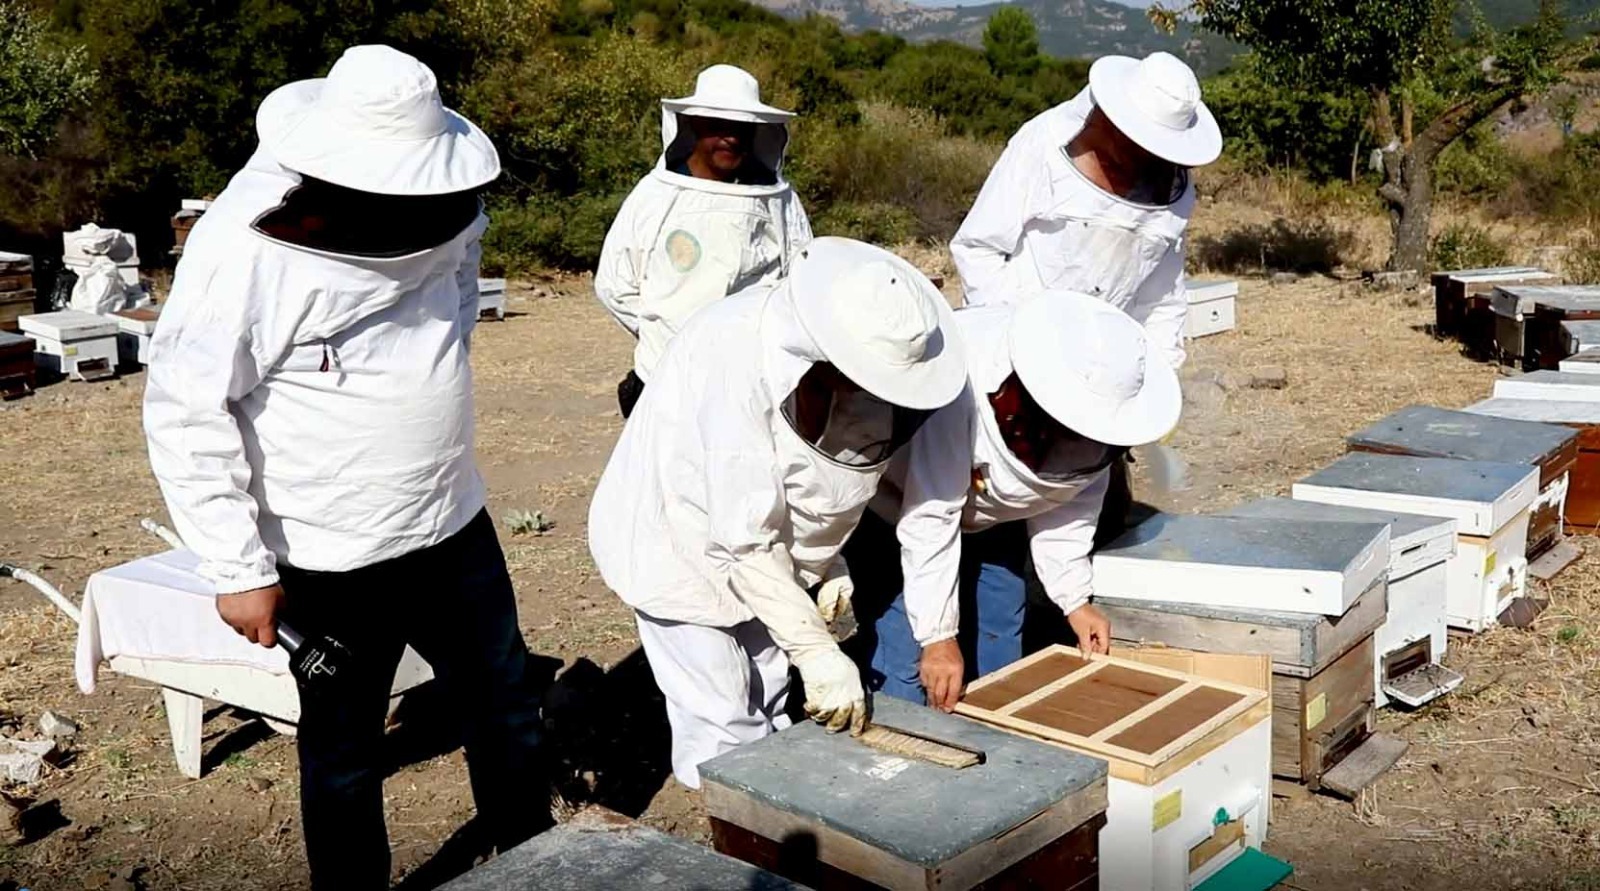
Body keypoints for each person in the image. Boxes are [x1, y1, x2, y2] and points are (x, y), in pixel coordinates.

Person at [143, 46, 548, 891]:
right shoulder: (241, 253)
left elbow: (458, 307)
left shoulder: (452, 210)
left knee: (506, 703)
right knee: (345, 751)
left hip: (452, 522)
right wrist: (237, 566)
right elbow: (187, 409)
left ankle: (539, 863)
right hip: (331, 553)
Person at [588, 237, 966, 788]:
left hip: (764, 550)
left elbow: (819, 473)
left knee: (769, 683)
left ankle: (774, 804)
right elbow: (743, 535)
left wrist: (828, 562)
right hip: (678, 544)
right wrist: (815, 650)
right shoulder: (733, 360)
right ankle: (736, 830)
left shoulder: (834, 358)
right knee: (721, 710)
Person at [846, 294, 1182, 711]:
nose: (1078, 446)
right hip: (902, 511)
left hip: (995, 512)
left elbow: (1071, 502)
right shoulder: (960, 383)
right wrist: (937, 637)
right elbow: (932, 516)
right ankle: (907, 751)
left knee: (1000, 634)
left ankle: (997, 748)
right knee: (906, 655)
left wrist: (1074, 600)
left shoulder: (1097, 428)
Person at [949, 50, 1220, 546]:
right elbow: (979, 247)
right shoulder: (1042, 145)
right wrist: (1015, 345)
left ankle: (1071, 610)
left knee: (1093, 522)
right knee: (992, 515)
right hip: (1016, 361)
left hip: (1101, 368)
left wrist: (1153, 377)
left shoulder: (1174, 189)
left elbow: (1163, 293)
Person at [594, 64, 813, 418]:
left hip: (752, 384)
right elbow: (614, 284)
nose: (731, 137)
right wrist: (663, 332)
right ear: (694, 124)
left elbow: (799, 278)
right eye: (718, 126)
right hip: (664, 380)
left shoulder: (778, 200)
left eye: (741, 127)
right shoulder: (656, 195)